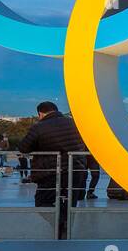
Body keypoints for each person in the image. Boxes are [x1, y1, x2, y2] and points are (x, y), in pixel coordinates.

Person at [18, 101, 89, 239]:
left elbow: (23, 147)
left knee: (41, 202)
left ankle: (59, 223)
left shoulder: (39, 127)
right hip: (77, 168)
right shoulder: (75, 124)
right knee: (70, 203)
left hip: (51, 171)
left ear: (41, 113)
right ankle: (64, 229)